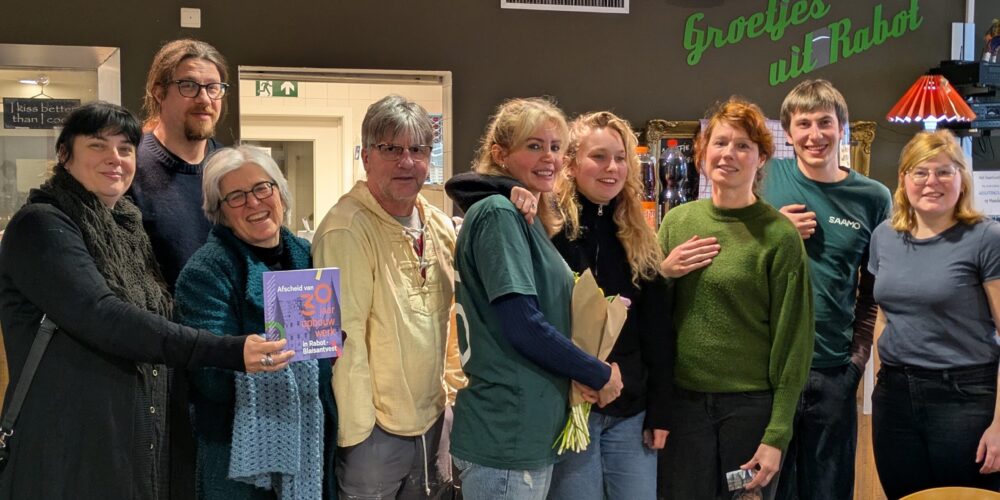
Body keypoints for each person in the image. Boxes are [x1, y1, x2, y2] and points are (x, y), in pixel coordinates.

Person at [0, 102, 291, 500]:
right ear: (65, 154)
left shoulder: (128, 227)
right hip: (67, 446)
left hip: (130, 442)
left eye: (125, 148)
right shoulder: (41, 225)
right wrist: (228, 350)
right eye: (97, 145)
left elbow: (158, 316)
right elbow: (104, 317)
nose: (115, 158)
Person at [445, 110, 672, 499]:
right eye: (535, 146)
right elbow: (525, 324)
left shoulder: (633, 235)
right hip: (536, 416)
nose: (611, 167)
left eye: (553, 147)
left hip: (601, 409)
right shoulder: (533, 219)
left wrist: (657, 406)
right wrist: (501, 188)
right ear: (574, 163)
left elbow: (658, 332)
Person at [658, 97, 814, 500]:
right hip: (685, 412)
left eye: (743, 145)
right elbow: (655, 320)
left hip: (750, 415)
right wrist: (663, 275)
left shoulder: (779, 236)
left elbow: (794, 343)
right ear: (703, 152)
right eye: (720, 143)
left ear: (761, 158)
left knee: (743, 497)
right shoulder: (677, 223)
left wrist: (777, 434)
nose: (729, 153)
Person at [312, 94, 465, 499]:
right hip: (374, 434)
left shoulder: (437, 223)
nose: (406, 162)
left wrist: (451, 399)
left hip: (435, 418)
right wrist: (359, 434)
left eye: (418, 150)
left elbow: (453, 321)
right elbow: (343, 341)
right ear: (366, 156)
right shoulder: (345, 229)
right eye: (391, 149)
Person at [174, 146, 338, 499]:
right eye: (236, 196)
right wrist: (279, 358)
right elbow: (210, 378)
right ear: (219, 211)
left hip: (310, 441)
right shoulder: (206, 272)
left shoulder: (307, 254)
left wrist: (331, 343)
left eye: (263, 188)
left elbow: (324, 362)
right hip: (239, 457)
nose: (253, 202)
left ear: (281, 193)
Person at [762, 79, 892, 500]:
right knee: (767, 488)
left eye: (825, 123)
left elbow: (873, 291)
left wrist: (857, 361)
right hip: (766, 369)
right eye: (803, 124)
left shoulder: (872, 197)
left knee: (829, 490)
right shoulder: (763, 177)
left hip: (833, 369)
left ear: (842, 128)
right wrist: (775, 230)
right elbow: (732, 246)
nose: (814, 135)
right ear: (787, 132)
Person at [869, 130, 1000, 499]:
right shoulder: (884, 237)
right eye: (920, 172)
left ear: (961, 179)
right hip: (895, 397)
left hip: (965, 397)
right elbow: (885, 314)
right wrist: (884, 370)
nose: (932, 182)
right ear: (903, 179)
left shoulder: (985, 238)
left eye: (944, 172)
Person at [129, 39, 230, 498]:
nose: (204, 98)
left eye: (213, 87)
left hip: (225, 367)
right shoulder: (129, 168)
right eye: (189, 86)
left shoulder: (230, 170)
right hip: (160, 374)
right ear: (159, 91)